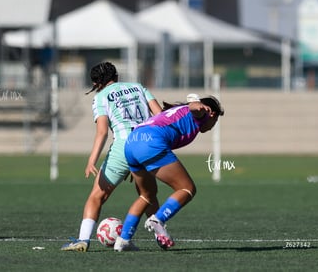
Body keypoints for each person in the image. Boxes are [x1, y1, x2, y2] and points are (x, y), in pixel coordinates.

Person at [61, 61, 163, 252]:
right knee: (147, 195)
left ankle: (83, 240)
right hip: (147, 143)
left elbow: (102, 132)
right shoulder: (138, 87)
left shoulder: (100, 97)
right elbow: (159, 116)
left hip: (124, 146)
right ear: (116, 76)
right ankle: (161, 236)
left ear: (96, 84)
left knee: (97, 196)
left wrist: (92, 160)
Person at [114, 94, 224, 251]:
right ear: (211, 114)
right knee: (187, 189)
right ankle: (158, 220)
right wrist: (197, 105)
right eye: (215, 121)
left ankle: (123, 239)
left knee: (147, 195)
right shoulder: (201, 114)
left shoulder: (178, 111)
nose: (213, 125)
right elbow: (193, 107)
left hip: (132, 142)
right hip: (150, 142)